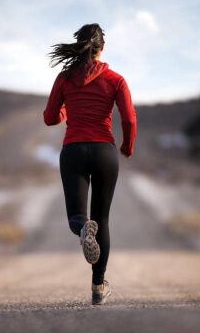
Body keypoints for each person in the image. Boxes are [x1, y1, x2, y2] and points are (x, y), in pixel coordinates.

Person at [43, 23, 137, 305]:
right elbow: (129, 118)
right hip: (104, 152)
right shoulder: (116, 79)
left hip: (73, 150)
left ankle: (83, 227)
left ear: (79, 45)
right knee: (103, 218)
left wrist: (64, 110)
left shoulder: (65, 78)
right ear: (102, 48)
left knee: (78, 216)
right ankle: (98, 287)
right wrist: (127, 146)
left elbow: (50, 118)